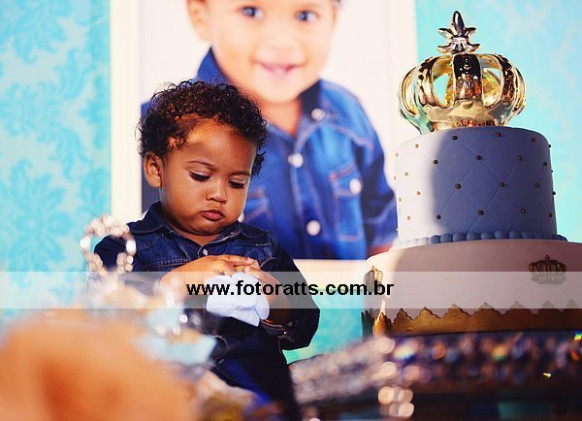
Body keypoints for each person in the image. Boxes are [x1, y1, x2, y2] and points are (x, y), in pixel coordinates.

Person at [97, 80, 318, 420]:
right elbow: (105, 327)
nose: (220, 194)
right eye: (201, 176)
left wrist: (277, 300)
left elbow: (303, 328)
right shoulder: (123, 247)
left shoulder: (263, 249)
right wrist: (174, 285)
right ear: (156, 169)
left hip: (257, 405)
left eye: (237, 183)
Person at [142, 0, 398, 259]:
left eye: (305, 15)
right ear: (201, 16)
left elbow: (382, 232)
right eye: (251, 12)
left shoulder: (349, 114)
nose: (282, 42)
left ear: (332, 19)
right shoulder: (160, 127)